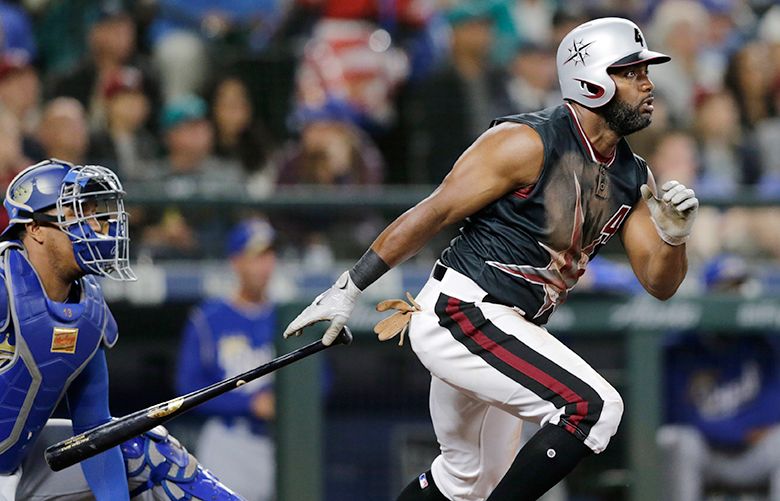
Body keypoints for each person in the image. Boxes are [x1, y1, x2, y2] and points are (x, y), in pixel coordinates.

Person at [285, 17, 699, 501]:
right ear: (592, 80)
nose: (647, 83)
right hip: (463, 312)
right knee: (592, 407)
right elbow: (434, 210)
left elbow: (659, 282)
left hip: (508, 326)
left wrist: (674, 238)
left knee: (465, 481)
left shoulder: (632, 173)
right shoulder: (528, 140)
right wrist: (350, 286)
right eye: (631, 71)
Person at [0, 159, 242, 500]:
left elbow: (95, 430)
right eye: (75, 213)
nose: (96, 227)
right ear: (35, 228)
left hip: (13, 469)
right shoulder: (3, 283)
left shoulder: (88, 308)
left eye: (95, 213)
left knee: (146, 450)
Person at [657, 254, 780, 501]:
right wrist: (742, 429)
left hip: (752, 456)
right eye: (725, 290)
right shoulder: (682, 347)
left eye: (739, 289)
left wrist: (741, 430)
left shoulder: (763, 342)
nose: (733, 299)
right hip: (705, 455)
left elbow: (773, 410)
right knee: (677, 440)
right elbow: (679, 417)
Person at [176, 218, 278, 501]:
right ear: (236, 262)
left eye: (269, 255)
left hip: (282, 443)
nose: (265, 265)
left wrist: (287, 401)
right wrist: (249, 403)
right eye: (256, 256)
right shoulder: (208, 318)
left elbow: (322, 378)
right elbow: (187, 388)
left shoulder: (289, 316)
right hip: (229, 442)